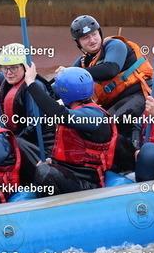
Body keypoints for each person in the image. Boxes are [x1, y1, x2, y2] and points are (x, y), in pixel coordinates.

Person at [68, 15, 153, 171]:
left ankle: (133, 165)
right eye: (85, 38)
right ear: (78, 42)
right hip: (115, 103)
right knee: (87, 126)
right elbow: (63, 85)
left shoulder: (115, 45)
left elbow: (110, 69)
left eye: (94, 34)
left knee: (104, 126)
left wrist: (74, 73)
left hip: (139, 96)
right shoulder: (82, 63)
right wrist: (35, 84)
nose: (92, 40)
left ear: (99, 33)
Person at [24, 65, 117, 196]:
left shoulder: (93, 115)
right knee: (41, 164)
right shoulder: (80, 110)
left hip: (87, 184)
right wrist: (53, 160)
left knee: (44, 171)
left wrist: (31, 83)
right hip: (71, 173)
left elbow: (60, 114)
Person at [0, 43, 54, 180]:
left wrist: (9, 141)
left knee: (3, 142)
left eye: (14, 67)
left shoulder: (34, 87)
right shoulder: (6, 79)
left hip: (38, 146)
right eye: (4, 68)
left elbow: (35, 125)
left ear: (25, 66)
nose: (9, 72)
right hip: (19, 139)